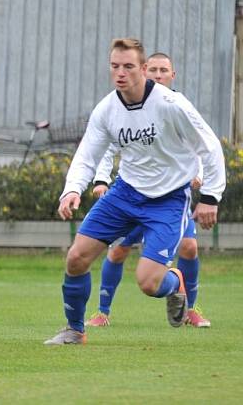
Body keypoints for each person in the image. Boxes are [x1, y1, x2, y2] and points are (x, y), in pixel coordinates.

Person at [45, 38, 225, 345]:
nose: (121, 73)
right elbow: (88, 153)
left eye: (128, 66)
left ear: (142, 69)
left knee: (148, 282)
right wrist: (72, 189)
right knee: (76, 258)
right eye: (115, 66)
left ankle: (175, 282)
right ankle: (75, 330)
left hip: (168, 199)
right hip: (125, 194)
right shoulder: (106, 109)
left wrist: (210, 196)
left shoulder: (170, 104)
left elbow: (209, 146)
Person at [86, 53, 211, 328]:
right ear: (145, 72)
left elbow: (199, 147)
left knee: (190, 247)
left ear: (172, 75)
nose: (157, 74)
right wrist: (101, 179)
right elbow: (109, 144)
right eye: (152, 69)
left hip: (170, 197)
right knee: (118, 252)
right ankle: (102, 312)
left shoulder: (176, 107)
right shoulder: (129, 107)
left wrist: (200, 176)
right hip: (133, 195)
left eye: (163, 70)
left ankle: (191, 308)